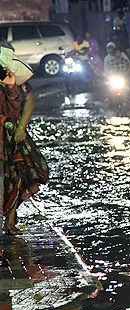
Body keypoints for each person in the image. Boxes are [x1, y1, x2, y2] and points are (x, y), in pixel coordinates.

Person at [0, 47, 48, 234]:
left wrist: (20, 127)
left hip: (13, 137)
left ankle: (10, 221)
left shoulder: (17, 85)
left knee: (17, 175)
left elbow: (25, 104)